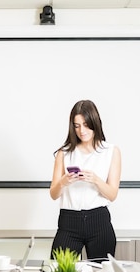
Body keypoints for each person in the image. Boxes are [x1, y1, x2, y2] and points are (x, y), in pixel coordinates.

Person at [49, 99, 121, 261]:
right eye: (77, 125)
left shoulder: (111, 151)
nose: (82, 130)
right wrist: (63, 182)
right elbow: (54, 194)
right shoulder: (64, 153)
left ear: (95, 123)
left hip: (99, 221)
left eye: (86, 124)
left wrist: (96, 180)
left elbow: (112, 195)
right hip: (69, 221)